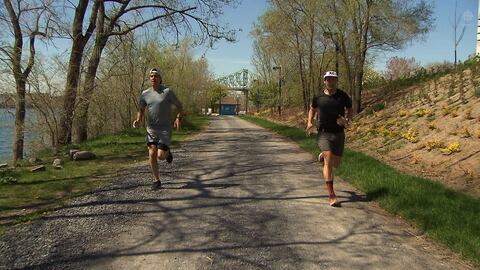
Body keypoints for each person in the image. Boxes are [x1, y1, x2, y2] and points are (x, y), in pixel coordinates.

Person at [306, 71, 353, 206]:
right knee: (329, 161)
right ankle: (331, 194)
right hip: (323, 133)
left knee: (336, 164)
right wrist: (309, 122)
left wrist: (347, 120)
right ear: (324, 81)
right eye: (328, 79)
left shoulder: (342, 96)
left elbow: (350, 109)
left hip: (339, 133)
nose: (330, 82)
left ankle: (323, 156)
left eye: (333, 80)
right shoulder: (318, 97)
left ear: (336, 81)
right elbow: (312, 109)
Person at [133, 68, 183, 190]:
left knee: (160, 156)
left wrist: (178, 118)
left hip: (165, 129)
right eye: (151, 76)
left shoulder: (167, 92)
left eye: (156, 76)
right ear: (149, 79)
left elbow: (179, 105)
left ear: (160, 78)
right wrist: (138, 120)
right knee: (152, 153)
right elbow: (141, 109)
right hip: (151, 129)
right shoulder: (145, 94)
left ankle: (167, 153)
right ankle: (156, 180)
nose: (153, 78)